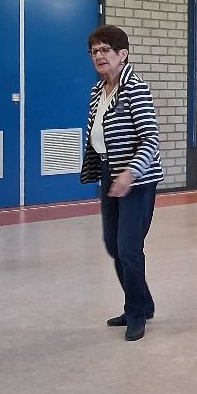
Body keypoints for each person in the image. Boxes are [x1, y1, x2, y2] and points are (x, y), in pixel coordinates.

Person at [80, 25, 163, 342]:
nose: (98, 56)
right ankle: (144, 302)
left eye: (105, 50)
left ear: (122, 54)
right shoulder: (97, 90)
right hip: (108, 173)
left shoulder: (135, 88)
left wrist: (130, 173)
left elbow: (150, 139)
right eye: (94, 51)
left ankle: (136, 313)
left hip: (136, 179)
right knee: (113, 244)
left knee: (128, 247)